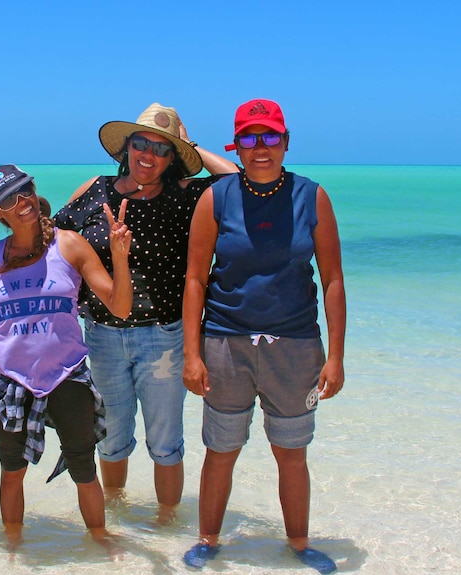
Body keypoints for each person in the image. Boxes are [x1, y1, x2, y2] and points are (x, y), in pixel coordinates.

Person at [181, 99, 346, 574]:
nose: (261, 148)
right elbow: (195, 279)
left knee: (291, 453)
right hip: (226, 342)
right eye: (250, 138)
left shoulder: (311, 197)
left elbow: (332, 279)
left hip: (295, 347)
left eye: (270, 137)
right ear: (238, 145)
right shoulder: (217, 198)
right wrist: (193, 354)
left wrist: (335, 357)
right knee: (221, 450)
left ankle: (298, 544)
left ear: (286, 142)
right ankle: (208, 542)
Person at [53, 103, 238, 523]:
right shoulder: (96, 190)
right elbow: (54, 238)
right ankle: (116, 517)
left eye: (161, 148)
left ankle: (168, 523)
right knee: (111, 438)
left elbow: (236, 180)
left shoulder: (187, 196)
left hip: (163, 336)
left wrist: (189, 144)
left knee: (165, 441)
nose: (148, 155)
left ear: (172, 159)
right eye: (141, 144)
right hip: (100, 333)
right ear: (127, 147)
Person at [0, 164, 132, 551]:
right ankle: (14, 550)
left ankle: (101, 544)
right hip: (12, 381)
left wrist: (120, 257)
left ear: (35, 191)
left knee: (84, 466)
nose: (21, 203)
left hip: (67, 374)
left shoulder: (69, 245)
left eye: (25, 191)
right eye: (8, 199)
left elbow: (120, 307)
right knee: (11, 471)